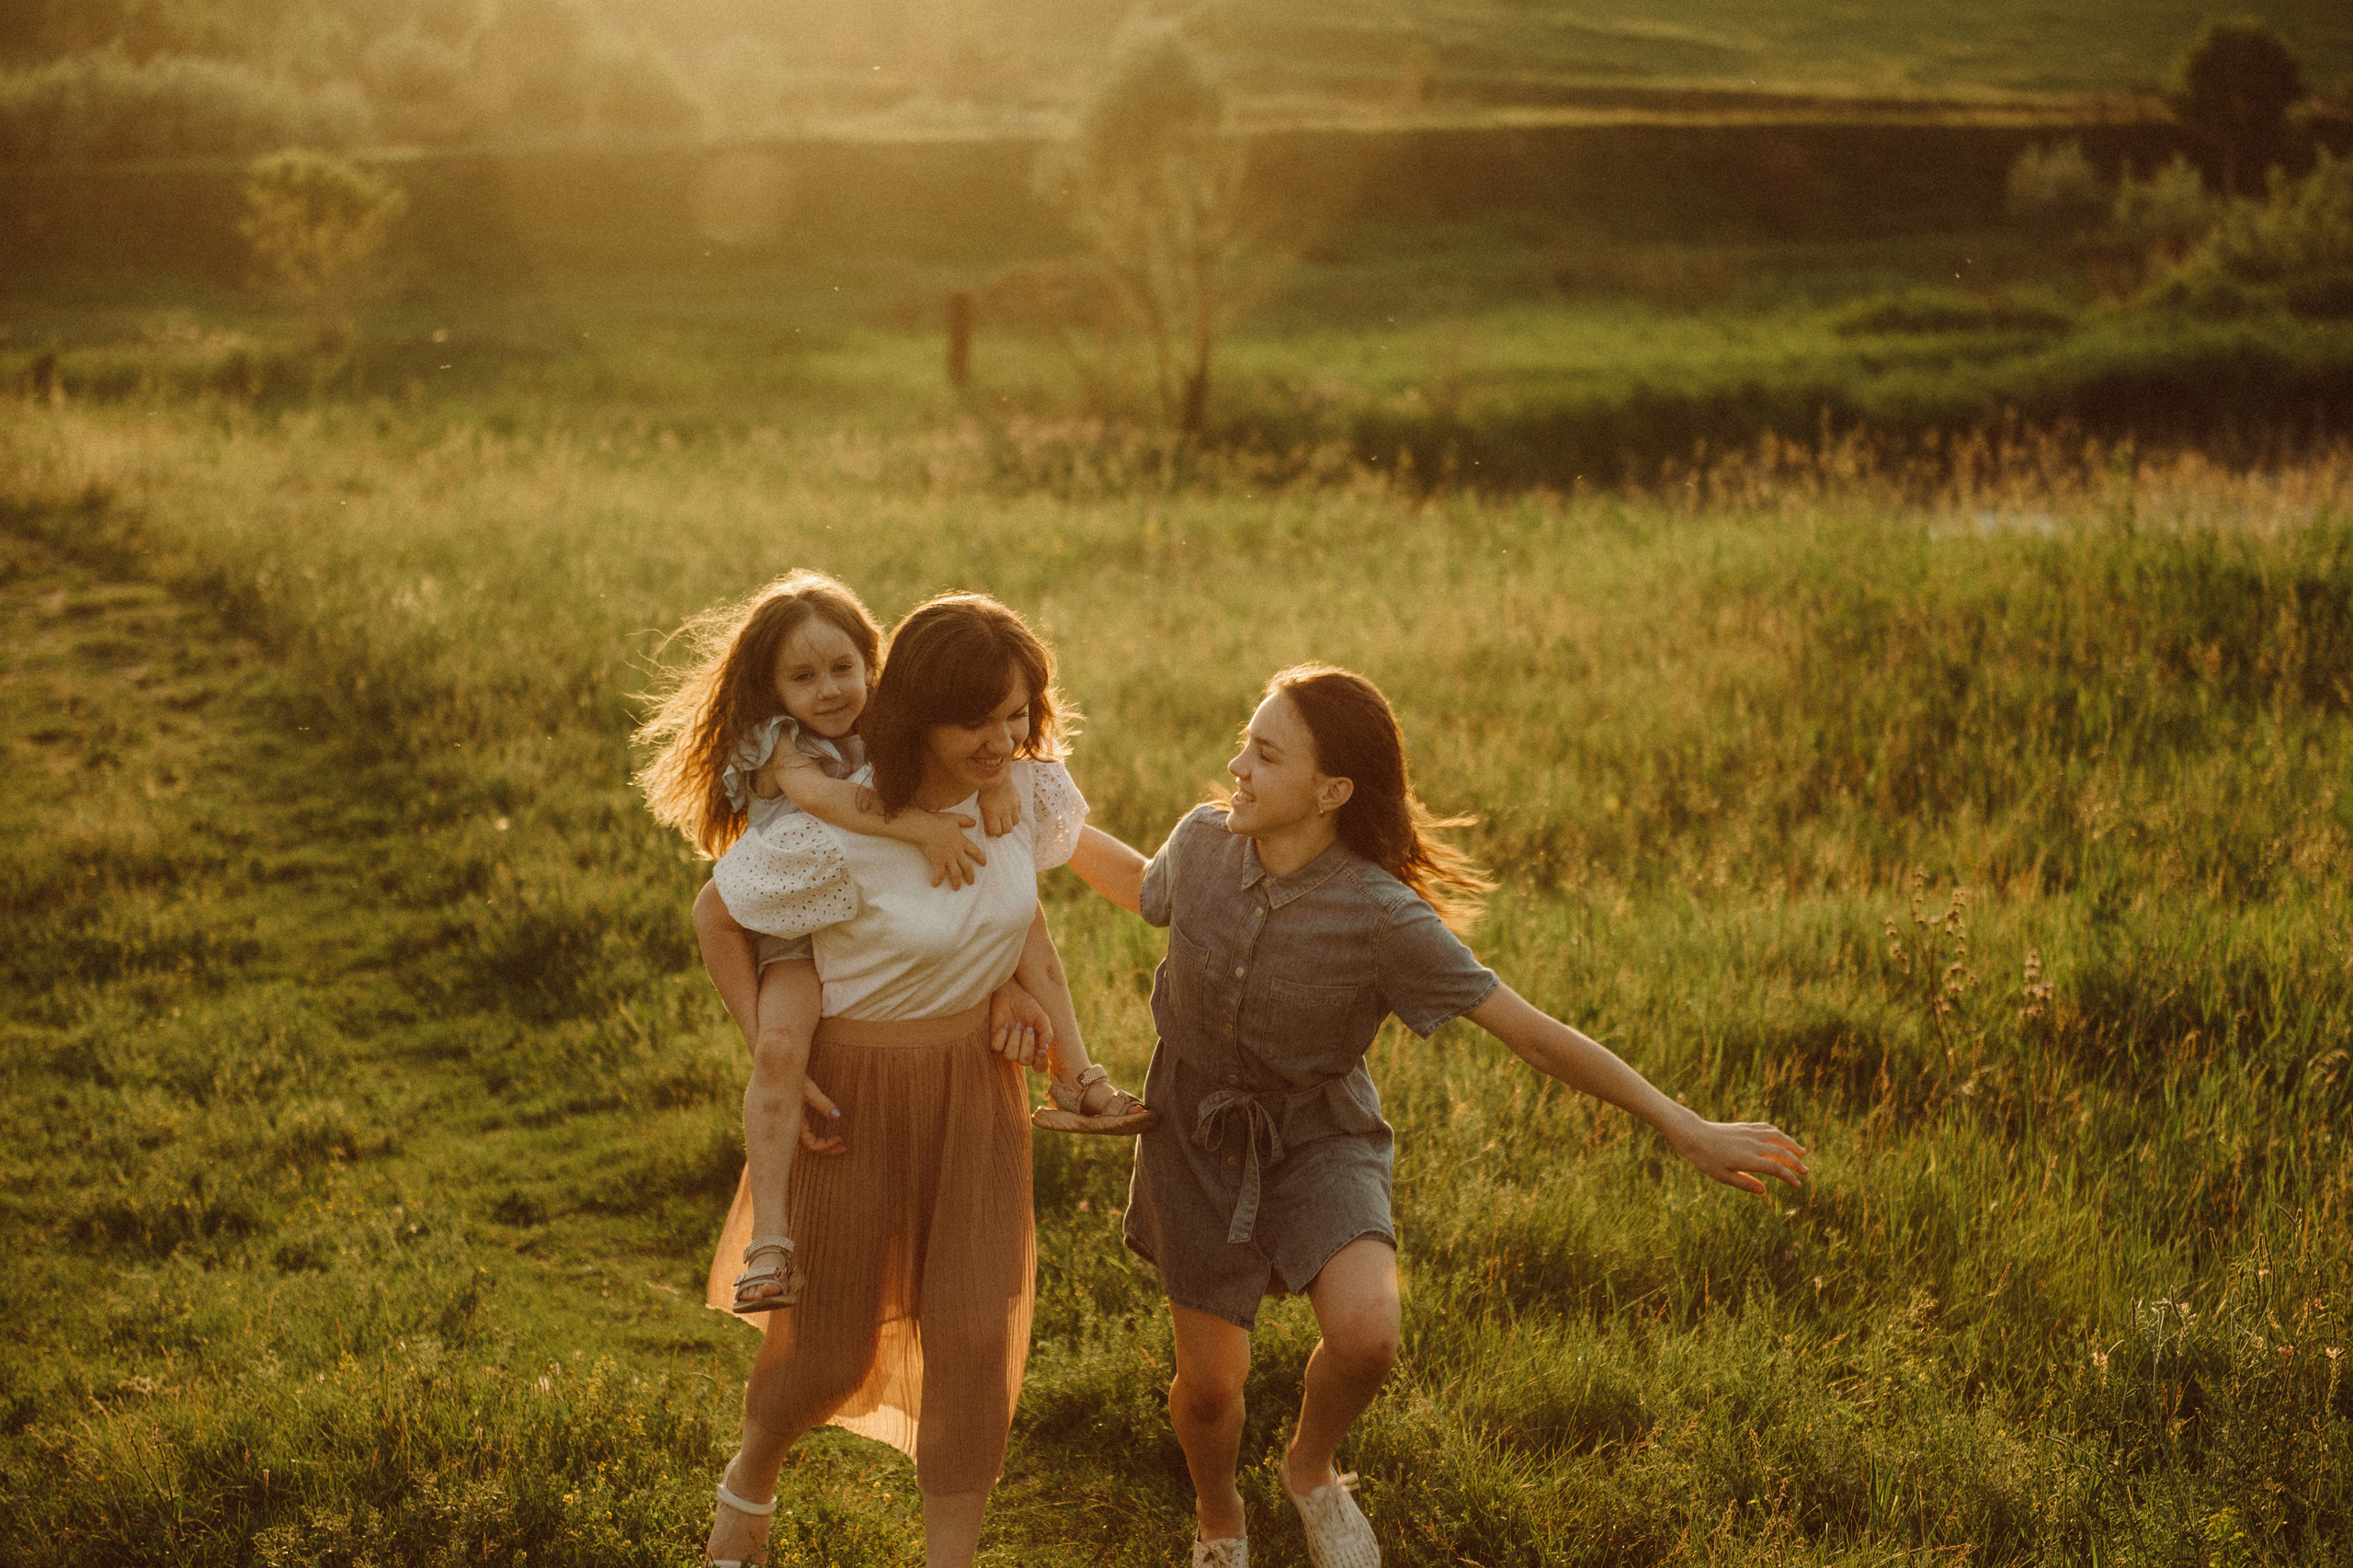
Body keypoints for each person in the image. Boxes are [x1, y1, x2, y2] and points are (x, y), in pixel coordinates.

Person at [1063, 663, 1810, 1568]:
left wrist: (1680, 1123)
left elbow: (1533, 1034)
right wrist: (1044, 821)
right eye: (1244, 744)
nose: (1237, 767)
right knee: (1213, 1388)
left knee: (1367, 1336)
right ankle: (1220, 1517)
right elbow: (1146, 886)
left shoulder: (1384, 917)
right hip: (1195, 1131)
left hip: (1319, 1133)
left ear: (1333, 791)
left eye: (1265, 753)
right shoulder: (1202, 841)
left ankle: (1310, 1469)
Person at [685, 593, 1152, 1568]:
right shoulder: (837, 827)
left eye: (1017, 714)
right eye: (978, 720)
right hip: (853, 1099)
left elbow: (1034, 934)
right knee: (826, 1349)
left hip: (978, 1097)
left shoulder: (1021, 794)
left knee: (976, 1337)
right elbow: (717, 912)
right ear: (919, 713)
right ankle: (749, 1483)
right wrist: (776, 1059)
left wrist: (1068, 1058)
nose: (1004, 740)